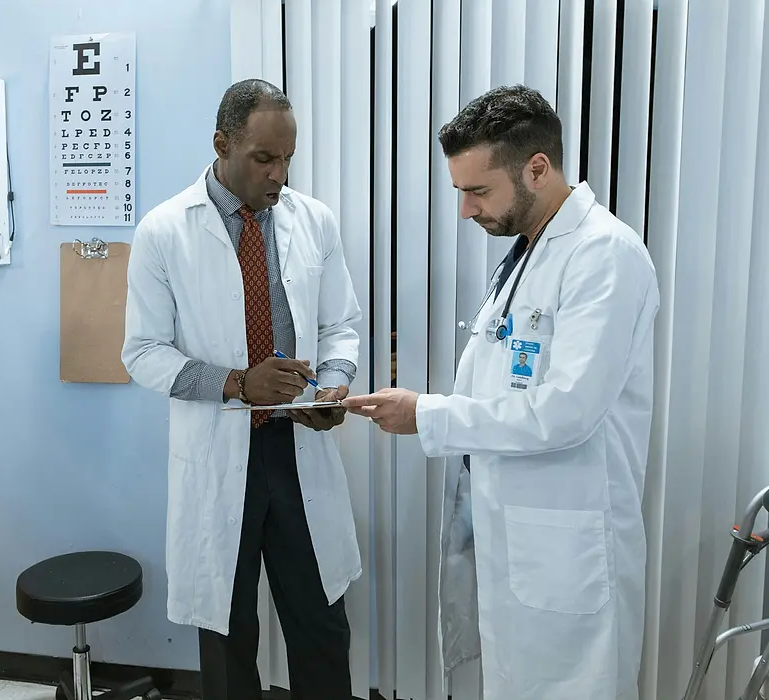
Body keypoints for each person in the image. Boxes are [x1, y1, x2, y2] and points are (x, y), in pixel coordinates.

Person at [344, 84, 659, 700]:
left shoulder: (605, 255)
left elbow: (567, 411)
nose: (465, 210)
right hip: (514, 538)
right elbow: (505, 379)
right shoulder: (528, 249)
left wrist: (428, 415)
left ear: (537, 168)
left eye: (477, 191)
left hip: (566, 550)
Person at [121, 78, 362, 700]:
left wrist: (331, 386)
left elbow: (341, 325)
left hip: (296, 452)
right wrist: (237, 384)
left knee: (321, 628)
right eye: (263, 158)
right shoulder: (164, 231)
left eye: (287, 158)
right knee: (229, 641)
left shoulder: (314, 222)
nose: (279, 175)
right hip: (219, 456)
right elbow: (142, 354)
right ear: (221, 144)